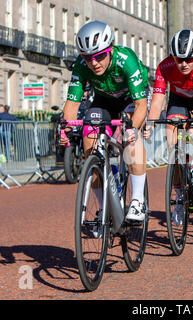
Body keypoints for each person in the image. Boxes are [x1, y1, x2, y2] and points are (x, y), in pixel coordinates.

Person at [60, 20, 149, 222]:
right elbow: (72, 104)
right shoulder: (82, 67)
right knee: (89, 146)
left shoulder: (126, 60)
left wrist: (133, 129)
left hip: (131, 99)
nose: (94, 62)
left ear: (109, 49)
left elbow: (141, 105)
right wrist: (65, 130)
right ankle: (104, 208)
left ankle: (137, 201)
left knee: (131, 139)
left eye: (99, 55)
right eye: (87, 57)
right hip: (104, 99)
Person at [144, 29, 193, 225]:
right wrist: (151, 123)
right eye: (179, 59)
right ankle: (179, 196)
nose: (184, 64)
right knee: (173, 145)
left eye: (188, 59)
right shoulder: (165, 66)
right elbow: (159, 98)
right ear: (172, 57)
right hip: (178, 99)